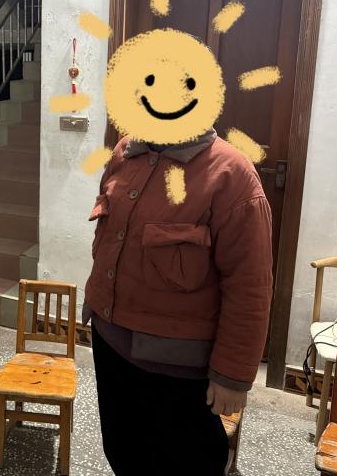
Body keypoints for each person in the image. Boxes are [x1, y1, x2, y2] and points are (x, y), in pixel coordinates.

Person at [84, 129, 273, 475]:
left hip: (178, 370)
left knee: (185, 464)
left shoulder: (233, 174)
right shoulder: (126, 151)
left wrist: (232, 375)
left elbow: (249, 287)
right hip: (110, 344)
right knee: (123, 453)